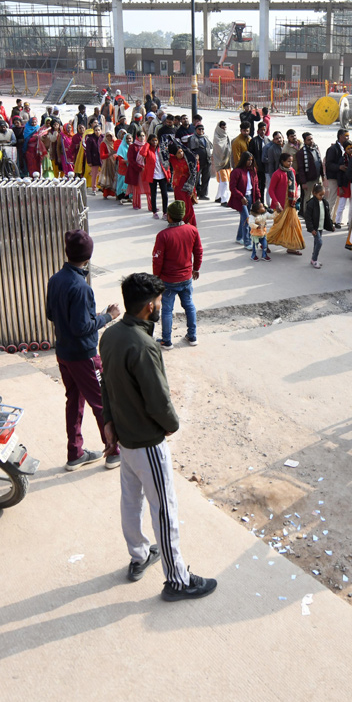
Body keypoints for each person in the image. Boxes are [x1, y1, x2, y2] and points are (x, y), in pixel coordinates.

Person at [99, 273, 217, 601]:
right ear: (150, 306)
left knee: (131, 501)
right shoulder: (144, 345)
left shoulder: (109, 336)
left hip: (124, 437)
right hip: (147, 442)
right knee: (164, 510)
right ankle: (178, 580)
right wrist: (171, 424)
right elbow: (158, 400)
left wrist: (109, 421)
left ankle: (139, 555)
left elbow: (106, 384)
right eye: (158, 302)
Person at [45, 229, 121, 471]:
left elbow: (50, 314)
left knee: (74, 402)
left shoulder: (55, 279)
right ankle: (114, 452)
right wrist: (107, 316)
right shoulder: (81, 287)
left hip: (64, 353)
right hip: (84, 355)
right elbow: (83, 327)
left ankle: (75, 453)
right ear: (88, 257)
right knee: (101, 403)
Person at [152, 200, 202, 348]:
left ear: (170, 217)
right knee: (189, 306)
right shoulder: (192, 230)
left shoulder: (163, 235)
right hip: (186, 277)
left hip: (168, 280)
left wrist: (156, 278)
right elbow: (198, 251)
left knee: (167, 310)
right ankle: (192, 336)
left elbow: (157, 259)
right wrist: (196, 268)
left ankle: (167, 341)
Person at [266, 152, 306, 255]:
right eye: (288, 161)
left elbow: (295, 184)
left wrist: (296, 194)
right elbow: (271, 190)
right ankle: (264, 243)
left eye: (291, 161)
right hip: (281, 206)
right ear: (282, 162)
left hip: (291, 204)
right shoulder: (277, 174)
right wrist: (276, 203)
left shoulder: (291, 171)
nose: (290, 163)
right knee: (278, 226)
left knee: (293, 225)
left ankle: (291, 247)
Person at [303, 182, 334, 270]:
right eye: (320, 195)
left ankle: (313, 259)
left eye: (323, 195)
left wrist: (331, 225)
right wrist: (311, 229)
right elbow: (308, 218)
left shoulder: (324, 202)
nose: (322, 197)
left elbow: (328, 216)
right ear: (314, 193)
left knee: (316, 243)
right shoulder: (311, 203)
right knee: (319, 242)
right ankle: (314, 259)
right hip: (315, 228)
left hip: (320, 227)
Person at [211, 120, 232, 205]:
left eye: (225, 128)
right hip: (219, 162)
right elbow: (219, 148)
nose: (224, 129)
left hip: (227, 162)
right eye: (222, 128)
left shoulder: (226, 136)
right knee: (225, 182)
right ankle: (224, 200)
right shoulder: (217, 137)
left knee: (224, 181)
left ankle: (218, 197)